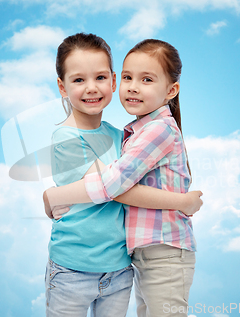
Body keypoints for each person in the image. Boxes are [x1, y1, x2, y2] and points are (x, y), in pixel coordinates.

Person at [44, 33, 202, 317]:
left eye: (101, 78)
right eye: (79, 80)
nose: (91, 88)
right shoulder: (67, 138)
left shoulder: (124, 137)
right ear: (62, 87)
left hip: (118, 266)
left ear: (112, 81)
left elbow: (113, 186)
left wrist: (53, 195)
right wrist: (180, 201)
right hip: (73, 264)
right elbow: (113, 187)